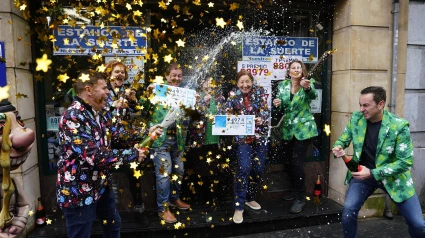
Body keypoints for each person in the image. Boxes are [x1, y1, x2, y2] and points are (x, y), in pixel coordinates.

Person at [56, 69, 159, 238]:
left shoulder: (98, 113)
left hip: (101, 186)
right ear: (89, 90)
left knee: (112, 226)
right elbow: (94, 156)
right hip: (77, 191)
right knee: (80, 234)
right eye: (104, 88)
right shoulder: (72, 116)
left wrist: (147, 132)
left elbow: (117, 135)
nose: (107, 92)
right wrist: (132, 154)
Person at [332, 86, 425, 238]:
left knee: (418, 225)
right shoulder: (356, 118)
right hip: (363, 176)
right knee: (348, 212)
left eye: (366, 105)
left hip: (393, 178)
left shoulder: (399, 126)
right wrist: (338, 146)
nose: (361, 109)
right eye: (360, 105)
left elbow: (405, 162)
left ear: (381, 104)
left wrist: (373, 172)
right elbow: (343, 139)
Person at [142, 63, 191, 224]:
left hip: (178, 140)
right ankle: (163, 209)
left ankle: (174, 199)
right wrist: (148, 95)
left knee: (180, 170)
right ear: (166, 76)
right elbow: (143, 109)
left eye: (179, 75)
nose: (176, 78)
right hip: (159, 140)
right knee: (164, 174)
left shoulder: (184, 93)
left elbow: (191, 115)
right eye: (173, 75)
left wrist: (195, 101)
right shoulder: (159, 90)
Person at [223, 69, 269, 224]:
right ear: (237, 84)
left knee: (258, 168)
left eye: (247, 81)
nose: (245, 85)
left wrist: (261, 119)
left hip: (259, 137)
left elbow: (266, 111)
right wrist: (238, 119)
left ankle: (250, 198)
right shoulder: (232, 96)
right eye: (241, 82)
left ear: (252, 82)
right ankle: (239, 206)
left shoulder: (260, 92)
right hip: (243, 139)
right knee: (243, 169)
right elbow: (226, 115)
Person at [272, 60, 318, 214]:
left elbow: (313, 95)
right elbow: (280, 105)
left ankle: (300, 197)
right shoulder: (282, 85)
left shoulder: (307, 83)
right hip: (288, 129)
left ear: (302, 70)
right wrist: (276, 103)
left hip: (303, 130)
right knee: (287, 162)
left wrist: (308, 87)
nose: (296, 70)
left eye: (299, 67)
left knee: (297, 163)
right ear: (289, 71)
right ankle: (294, 189)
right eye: (293, 68)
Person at [186, 78, 226, 204]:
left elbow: (225, 118)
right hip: (200, 141)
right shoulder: (196, 97)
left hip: (216, 140)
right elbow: (191, 116)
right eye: (207, 82)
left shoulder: (220, 98)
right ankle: (201, 197)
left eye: (212, 82)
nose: (210, 84)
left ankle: (213, 196)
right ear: (201, 84)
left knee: (214, 169)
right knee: (200, 169)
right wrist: (202, 102)